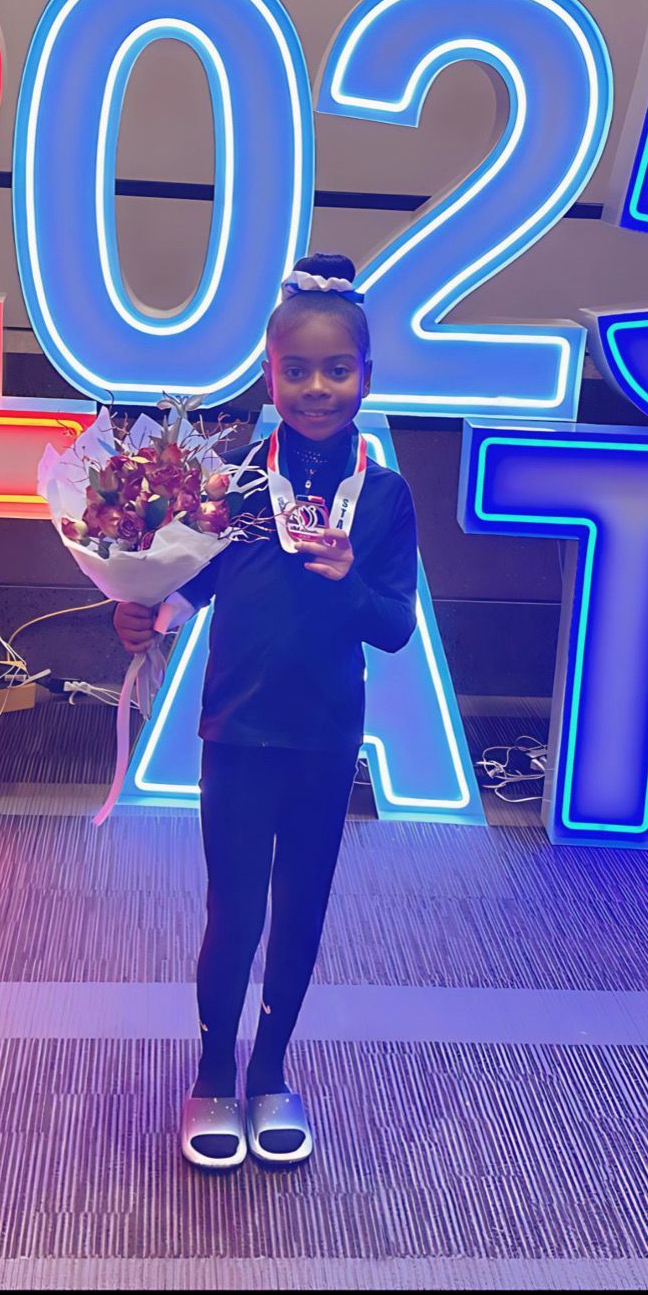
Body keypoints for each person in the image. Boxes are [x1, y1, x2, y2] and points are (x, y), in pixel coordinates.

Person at [113, 251, 419, 1170]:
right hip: (236, 733)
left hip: (326, 738)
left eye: (338, 370)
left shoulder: (387, 495)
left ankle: (274, 1072)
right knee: (233, 910)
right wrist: (142, 608)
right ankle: (212, 1074)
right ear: (267, 373)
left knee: (303, 912)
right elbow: (187, 587)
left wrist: (347, 582)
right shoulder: (235, 481)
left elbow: (395, 627)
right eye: (298, 370)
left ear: (368, 375)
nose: (317, 387)